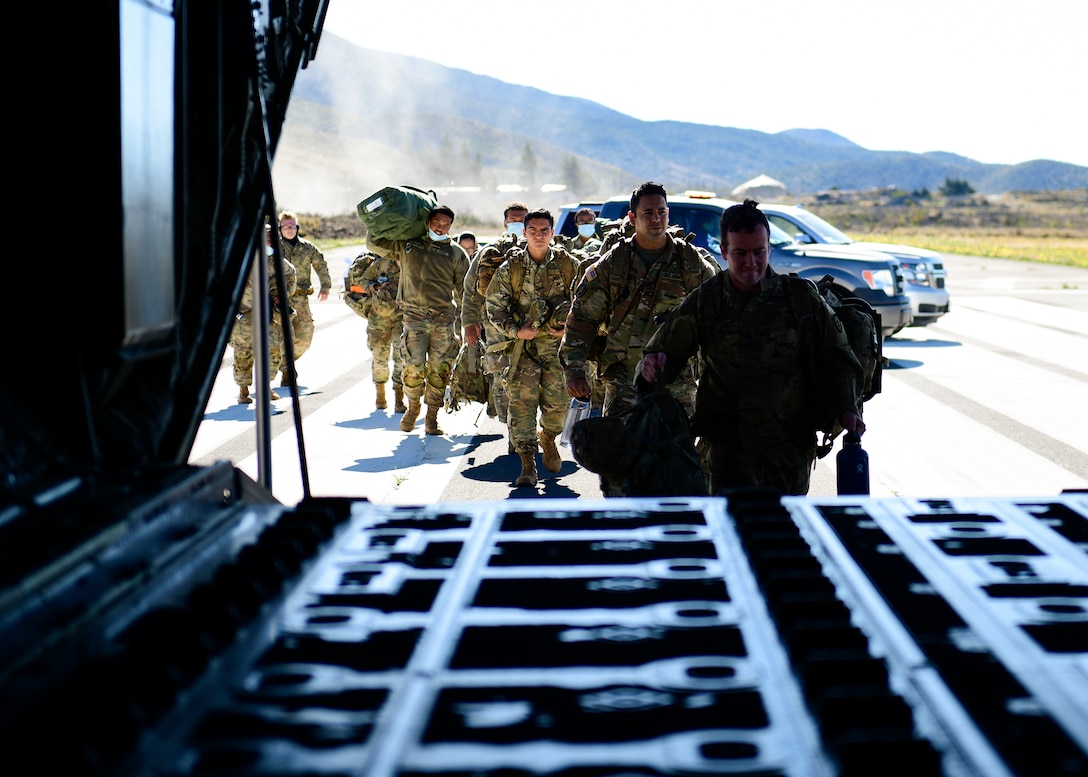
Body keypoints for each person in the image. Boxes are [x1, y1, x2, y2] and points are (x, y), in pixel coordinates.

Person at [638, 199, 866, 496]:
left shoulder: (799, 298)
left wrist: (847, 408)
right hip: (725, 450)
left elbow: (838, 357)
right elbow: (662, 355)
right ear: (723, 252)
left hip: (789, 449)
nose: (751, 263)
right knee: (730, 531)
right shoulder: (708, 299)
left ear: (769, 248)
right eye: (740, 253)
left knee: (783, 532)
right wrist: (652, 369)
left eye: (759, 252)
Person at [485, 209, 578, 487]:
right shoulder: (510, 268)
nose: (539, 235)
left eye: (545, 230)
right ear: (524, 233)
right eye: (533, 230)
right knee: (522, 408)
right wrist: (516, 331)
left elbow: (585, 303)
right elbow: (494, 307)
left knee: (558, 407)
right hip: (520, 350)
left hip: (555, 351)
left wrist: (567, 327)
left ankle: (548, 438)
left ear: (552, 233)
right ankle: (527, 465)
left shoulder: (568, 265)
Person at [368, 204, 471, 435]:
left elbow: (466, 290)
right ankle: (413, 408)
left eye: (446, 225)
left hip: (444, 320)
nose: (441, 227)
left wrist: (470, 322)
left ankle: (432, 417)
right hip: (414, 317)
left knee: (440, 369)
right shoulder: (408, 245)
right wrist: (376, 220)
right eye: (437, 223)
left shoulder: (455, 253)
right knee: (413, 367)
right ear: (427, 222)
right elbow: (374, 244)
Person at [461, 201, 529, 432]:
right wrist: (469, 323)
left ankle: (524, 428)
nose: (517, 224)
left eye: (522, 220)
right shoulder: (490, 252)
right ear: (505, 222)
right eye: (513, 220)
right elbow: (471, 290)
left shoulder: (539, 248)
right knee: (501, 374)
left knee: (531, 376)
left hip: (532, 326)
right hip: (496, 327)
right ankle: (512, 427)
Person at [231, 225, 297, 404]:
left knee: (273, 351)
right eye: (265, 238)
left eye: (270, 238)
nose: (268, 241)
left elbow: (291, 275)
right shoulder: (238, 259)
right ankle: (243, 390)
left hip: (268, 314)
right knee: (243, 354)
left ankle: (265, 386)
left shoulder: (274, 261)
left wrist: (280, 291)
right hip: (244, 315)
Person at [343, 251, 407, 413]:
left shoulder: (413, 265)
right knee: (380, 357)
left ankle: (399, 396)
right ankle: (380, 393)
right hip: (379, 318)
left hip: (403, 317)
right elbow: (364, 280)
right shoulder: (381, 264)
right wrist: (374, 287)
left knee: (401, 357)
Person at [277, 210, 332, 386]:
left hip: (301, 298)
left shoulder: (307, 248)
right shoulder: (274, 248)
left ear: (297, 227)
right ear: (280, 228)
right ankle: (287, 370)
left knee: (305, 336)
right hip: (280, 299)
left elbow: (321, 266)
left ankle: (286, 362)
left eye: (292, 226)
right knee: (284, 335)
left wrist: (325, 287)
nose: (289, 230)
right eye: (285, 227)